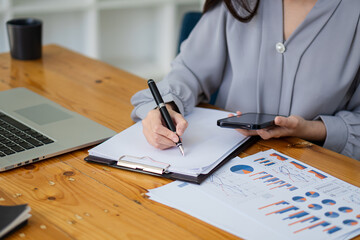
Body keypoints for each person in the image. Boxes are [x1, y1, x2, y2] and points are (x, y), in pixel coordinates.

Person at [131, 0, 360, 160]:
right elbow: (188, 73)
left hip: (320, 169)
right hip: (223, 160)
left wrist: (311, 129)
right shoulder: (236, 3)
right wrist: (164, 108)